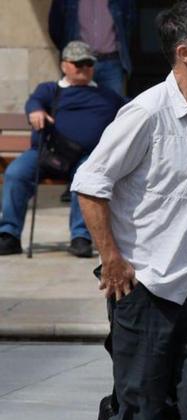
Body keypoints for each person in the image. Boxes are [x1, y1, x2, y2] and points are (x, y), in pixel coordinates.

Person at [67, 3, 187, 420]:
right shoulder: (145, 112)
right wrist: (112, 260)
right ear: (184, 53)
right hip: (147, 293)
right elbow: (90, 183)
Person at [0, 41, 124, 258]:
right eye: (78, 63)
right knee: (15, 173)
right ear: (64, 65)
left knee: (86, 176)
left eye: (88, 63)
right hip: (48, 153)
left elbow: (132, 110)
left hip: (85, 156)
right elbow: (34, 101)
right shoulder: (50, 89)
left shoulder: (107, 95)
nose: (84, 68)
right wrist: (36, 111)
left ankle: (80, 237)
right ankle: (9, 235)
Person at [49, 0, 136, 97]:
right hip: (79, 63)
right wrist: (70, 54)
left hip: (111, 62)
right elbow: (55, 28)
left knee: (113, 106)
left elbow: (128, 26)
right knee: (77, 103)